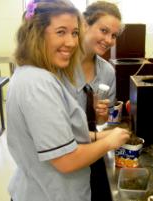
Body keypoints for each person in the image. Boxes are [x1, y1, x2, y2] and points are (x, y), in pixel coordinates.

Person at [6, 1, 130, 201]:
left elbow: (61, 132)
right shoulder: (39, 83)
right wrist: (109, 142)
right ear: (36, 33)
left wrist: (99, 136)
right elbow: (66, 160)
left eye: (74, 33)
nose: (72, 42)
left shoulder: (32, 75)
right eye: (61, 32)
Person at [62, 2, 124, 201]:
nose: (109, 40)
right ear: (85, 25)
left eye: (114, 35)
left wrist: (102, 118)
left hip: (93, 153)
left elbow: (102, 126)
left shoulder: (107, 72)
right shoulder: (61, 67)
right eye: (104, 31)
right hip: (64, 156)